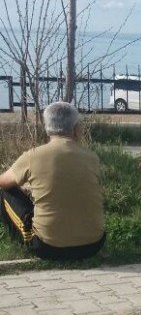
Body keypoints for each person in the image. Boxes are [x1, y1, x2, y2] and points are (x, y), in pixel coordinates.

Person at [0, 101, 105, 262]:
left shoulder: (33, 156)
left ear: (47, 127)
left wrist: (26, 184)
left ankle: (21, 242)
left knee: (4, 192)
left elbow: (3, 182)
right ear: (76, 128)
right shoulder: (92, 157)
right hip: (94, 245)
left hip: (48, 248)